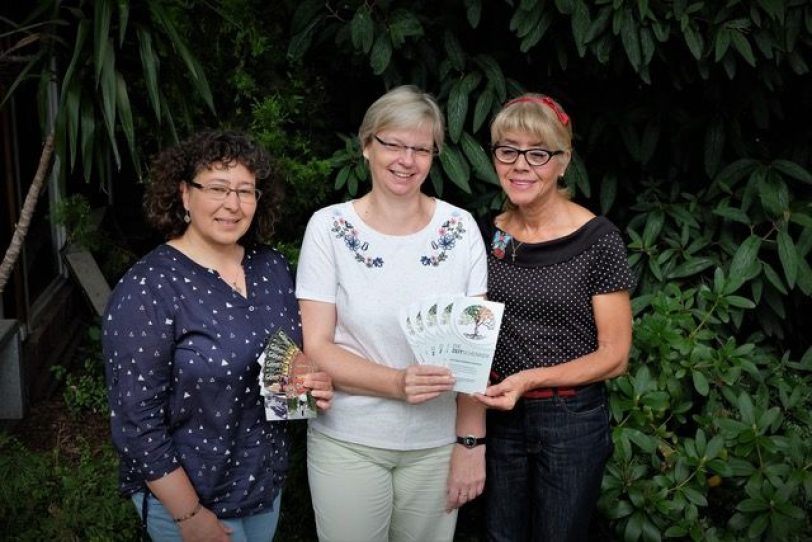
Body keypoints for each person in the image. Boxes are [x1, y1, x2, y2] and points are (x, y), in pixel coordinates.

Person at [102, 130, 333, 542]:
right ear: (185, 195)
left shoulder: (272, 267)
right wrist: (189, 516)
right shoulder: (148, 286)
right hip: (187, 499)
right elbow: (136, 422)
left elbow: (280, 366)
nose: (233, 204)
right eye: (218, 188)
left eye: (246, 190)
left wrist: (308, 387)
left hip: (263, 487)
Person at [296, 85, 488, 542]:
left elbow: (474, 355)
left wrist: (470, 443)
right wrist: (397, 384)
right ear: (367, 146)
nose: (407, 159)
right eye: (393, 144)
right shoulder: (329, 229)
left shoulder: (460, 230)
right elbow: (317, 346)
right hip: (349, 441)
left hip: (436, 447)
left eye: (421, 148)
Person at [474, 94, 635, 541]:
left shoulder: (597, 239)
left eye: (537, 153)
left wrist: (528, 379)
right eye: (507, 150)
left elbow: (616, 356)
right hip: (500, 414)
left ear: (562, 162)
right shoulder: (486, 234)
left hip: (572, 419)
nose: (520, 165)